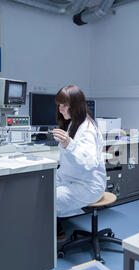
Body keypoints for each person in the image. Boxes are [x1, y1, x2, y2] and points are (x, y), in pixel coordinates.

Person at [52, 85, 106, 241]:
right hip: (72, 178)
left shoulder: (87, 129)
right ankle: (56, 229)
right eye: (59, 105)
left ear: (75, 106)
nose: (60, 109)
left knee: (49, 198)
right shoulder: (73, 123)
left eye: (64, 105)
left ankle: (54, 234)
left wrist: (70, 144)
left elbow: (89, 163)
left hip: (88, 185)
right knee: (40, 188)